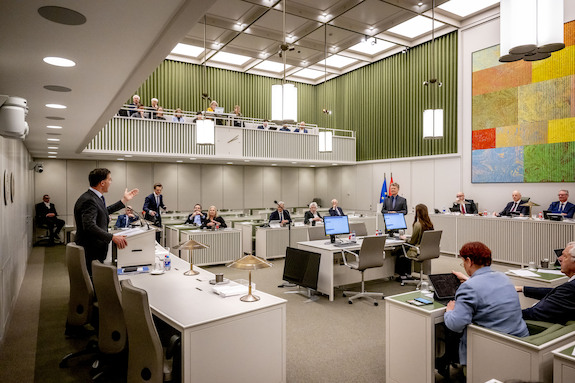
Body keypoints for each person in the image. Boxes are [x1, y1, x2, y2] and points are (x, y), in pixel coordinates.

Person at [444, 242, 528, 367]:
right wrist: (469, 280)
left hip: (492, 348)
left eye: (463, 263)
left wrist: (449, 311)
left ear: (469, 261)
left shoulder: (468, 287)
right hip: (520, 342)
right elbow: (485, 287)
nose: (464, 266)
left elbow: (456, 324)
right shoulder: (503, 277)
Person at [74, 168, 139, 275]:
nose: (111, 182)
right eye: (109, 179)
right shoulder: (89, 200)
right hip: (91, 250)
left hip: (95, 248)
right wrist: (112, 237)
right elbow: (89, 226)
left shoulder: (95, 197)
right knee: (93, 280)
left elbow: (104, 211)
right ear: (102, 183)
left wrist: (124, 200)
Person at [516, 242, 575, 324]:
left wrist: (504, 315)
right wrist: (522, 288)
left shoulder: (570, 289)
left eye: (564, 256)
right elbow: (556, 293)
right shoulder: (569, 288)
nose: (559, 259)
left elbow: (534, 313)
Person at [396, 204, 434, 279]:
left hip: (417, 250)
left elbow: (412, 242)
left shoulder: (418, 225)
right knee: (405, 249)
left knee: (400, 251)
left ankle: (402, 275)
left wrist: (405, 239)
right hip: (427, 250)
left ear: (418, 212)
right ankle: (409, 274)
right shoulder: (430, 224)